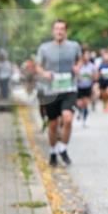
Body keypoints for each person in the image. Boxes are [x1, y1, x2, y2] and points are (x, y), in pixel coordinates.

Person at [36, 19, 82, 167]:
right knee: (53, 125)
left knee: (68, 119)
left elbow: (80, 60)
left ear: (66, 31)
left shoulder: (74, 46)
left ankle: (62, 148)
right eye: (57, 29)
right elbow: (38, 67)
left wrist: (77, 67)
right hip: (51, 90)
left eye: (62, 29)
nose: (59, 31)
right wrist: (44, 74)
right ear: (53, 31)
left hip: (69, 89)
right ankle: (52, 151)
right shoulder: (44, 48)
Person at [74, 50, 98, 126]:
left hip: (87, 87)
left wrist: (92, 77)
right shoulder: (78, 65)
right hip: (78, 87)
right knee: (79, 104)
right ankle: (79, 112)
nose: (86, 57)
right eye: (85, 56)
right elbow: (74, 74)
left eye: (88, 56)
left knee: (85, 103)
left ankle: (84, 120)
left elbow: (96, 77)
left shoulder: (92, 66)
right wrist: (77, 75)